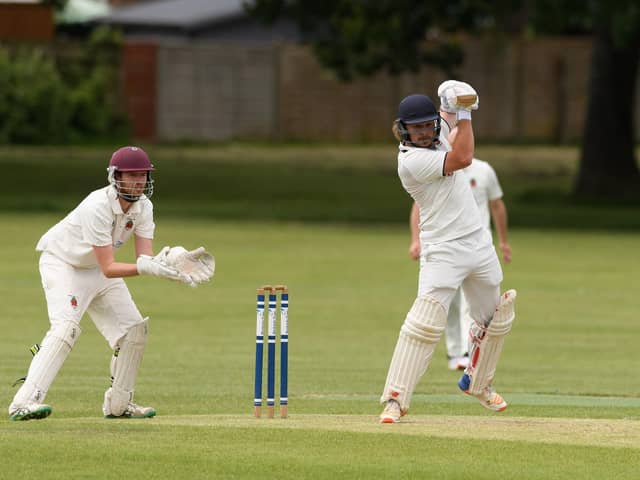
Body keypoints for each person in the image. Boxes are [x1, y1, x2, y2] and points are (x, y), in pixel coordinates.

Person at [8, 146, 207, 421]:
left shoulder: (144, 207)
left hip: (97, 270)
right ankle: (23, 403)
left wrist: (173, 261)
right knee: (66, 328)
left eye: (144, 175)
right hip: (63, 264)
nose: (139, 181)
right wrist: (147, 268)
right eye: (132, 175)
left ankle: (119, 405)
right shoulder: (97, 206)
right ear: (116, 176)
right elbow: (110, 267)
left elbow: (144, 258)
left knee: (134, 331)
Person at [380, 81, 517, 423]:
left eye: (429, 125)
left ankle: (478, 382)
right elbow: (463, 156)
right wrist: (466, 113)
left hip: (479, 243)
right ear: (403, 131)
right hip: (442, 249)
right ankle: (395, 400)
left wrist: (453, 100)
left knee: (495, 320)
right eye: (417, 127)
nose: (426, 132)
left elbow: (447, 115)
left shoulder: (438, 128)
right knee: (423, 324)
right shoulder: (411, 161)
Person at [408, 111, 512, 371]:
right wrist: (415, 240)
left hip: (479, 245)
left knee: (474, 304)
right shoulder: (433, 165)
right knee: (448, 304)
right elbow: (419, 206)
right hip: (445, 245)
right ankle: (455, 353)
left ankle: (470, 353)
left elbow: (497, 206)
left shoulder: (484, 170)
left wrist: (503, 241)